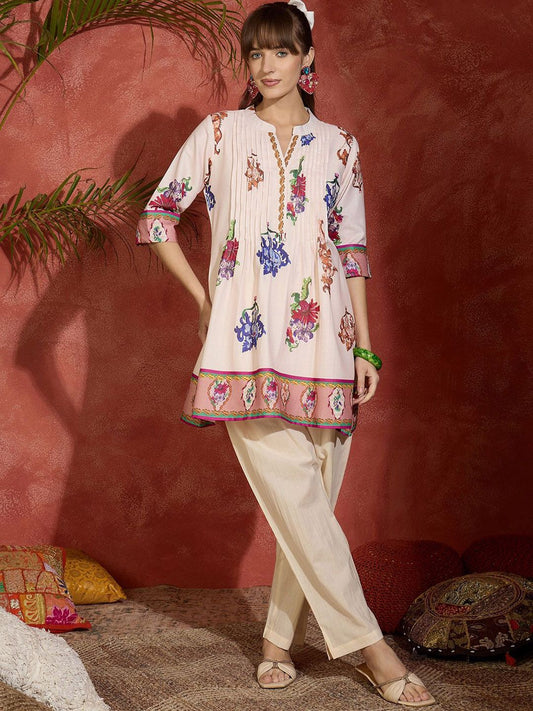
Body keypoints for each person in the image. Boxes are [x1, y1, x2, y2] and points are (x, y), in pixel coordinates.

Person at [136, 1, 435, 706]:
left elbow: (352, 250)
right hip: (243, 347)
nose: (266, 66)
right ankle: (374, 650)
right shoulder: (220, 133)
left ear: (307, 58)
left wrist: (366, 348)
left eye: (280, 52)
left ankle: (276, 642)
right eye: (255, 53)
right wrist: (205, 299)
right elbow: (157, 217)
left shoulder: (340, 147)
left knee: (310, 510)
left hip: (328, 345)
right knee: (300, 500)